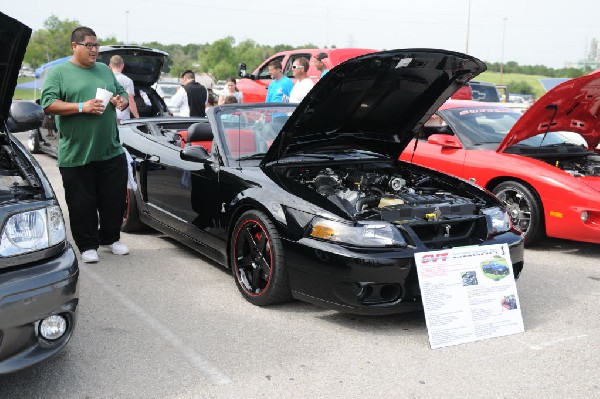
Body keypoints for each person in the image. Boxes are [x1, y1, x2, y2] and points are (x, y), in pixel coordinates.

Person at [40, 26, 130, 263]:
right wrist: (82, 107)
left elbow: (121, 93)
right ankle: (88, 245)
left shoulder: (104, 70)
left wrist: (120, 100)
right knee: (82, 203)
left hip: (110, 149)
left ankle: (110, 239)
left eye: (96, 45)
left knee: (114, 200)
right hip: (77, 153)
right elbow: (48, 104)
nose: (93, 50)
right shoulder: (59, 73)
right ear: (74, 46)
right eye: (88, 45)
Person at [109, 54, 139, 123]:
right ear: (122, 65)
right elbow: (131, 100)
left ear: (110, 65)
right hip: (122, 118)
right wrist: (137, 117)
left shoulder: (105, 79)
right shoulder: (128, 81)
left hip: (108, 117)